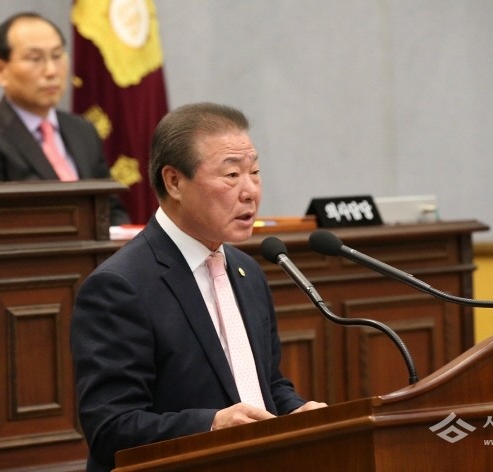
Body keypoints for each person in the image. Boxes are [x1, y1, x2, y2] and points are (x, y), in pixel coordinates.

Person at [70, 102, 327, 471]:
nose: (250, 191)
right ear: (174, 182)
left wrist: (296, 412)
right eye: (232, 174)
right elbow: (110, 428)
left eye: (255, 172)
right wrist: (211, 425)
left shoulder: (247, 271)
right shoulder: (119, 287)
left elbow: (266, 385)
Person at [0, 11, 129, 225]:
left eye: (57, 55)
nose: (51, 71)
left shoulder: (83, 130)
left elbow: (111, 209)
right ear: (2, 70)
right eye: (35, 59)